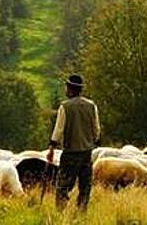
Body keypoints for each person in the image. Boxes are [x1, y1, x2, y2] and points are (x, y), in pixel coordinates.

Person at [47, 74, 100, 211]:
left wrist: (52, 148)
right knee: (85, 185)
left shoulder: (65, 106)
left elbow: (58, 130)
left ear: (69, 89)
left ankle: (60, 212)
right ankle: (81, 212)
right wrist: (91, 141)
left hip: (71, 152)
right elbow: (96, 129)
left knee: (63, 185)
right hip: (87, 152)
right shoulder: (91, 105)